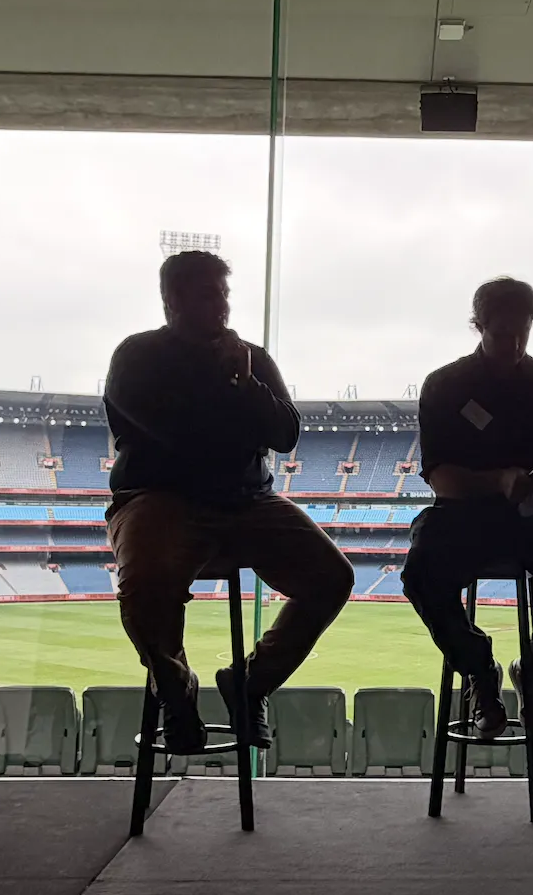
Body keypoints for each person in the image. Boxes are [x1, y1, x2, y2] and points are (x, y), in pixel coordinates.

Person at [104, 250, 355, 754]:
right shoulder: (137, 355)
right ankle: (176, 693)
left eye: (223, 293)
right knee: (145, 586)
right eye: (207, 293)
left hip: (248, 502)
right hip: (159, 498)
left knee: (333, 578)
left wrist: (246, 384)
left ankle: (250, 683)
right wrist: (235, 411)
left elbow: (285, 434)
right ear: (172, 300)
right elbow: (177, 435)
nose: (221, 305)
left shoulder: (251, 359)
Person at [402, 277, 533, 739]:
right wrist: (499, 480)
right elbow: (440, 476)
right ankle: (481, 672)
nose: (515, 344)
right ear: (478, 325)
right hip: (462, 515)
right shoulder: (445, 384)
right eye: (502, 333)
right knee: (420, 572)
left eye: (523, 332)